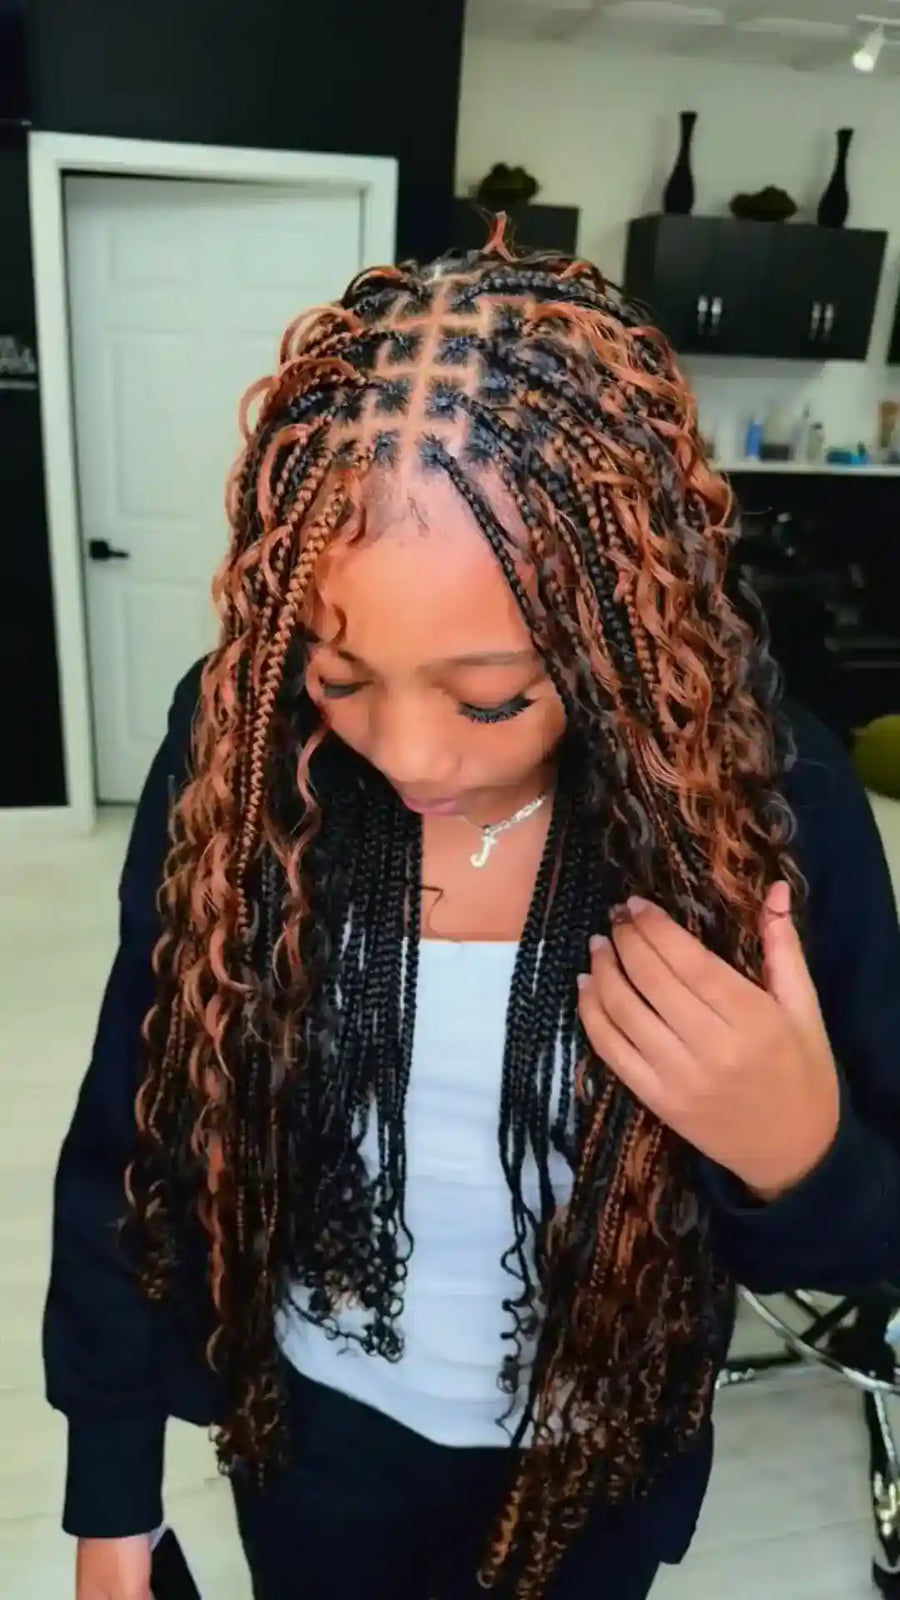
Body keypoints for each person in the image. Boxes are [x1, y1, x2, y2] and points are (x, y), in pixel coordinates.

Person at [47, 226, 900, 1600]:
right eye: (340, 673)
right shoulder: (244, 748)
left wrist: (798, 1153)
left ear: (622, 620)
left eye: (492, 693)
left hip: (598, 1473)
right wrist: (112, 1498)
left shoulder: (764, 811)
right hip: (308, 1444)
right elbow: (137, 1135)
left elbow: (868, 1241)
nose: (412, 756)